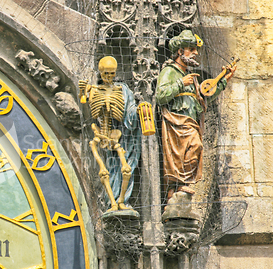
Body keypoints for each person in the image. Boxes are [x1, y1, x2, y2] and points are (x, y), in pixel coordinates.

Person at [156, 30, 236, 200]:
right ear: (180, 51)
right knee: (183, 152)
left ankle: (182, 184)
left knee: (196, 147)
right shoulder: (169, 72)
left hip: (191, 122)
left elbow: (203, 98)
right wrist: (180, 83)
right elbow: (160, 96)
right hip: (175, 122)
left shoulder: (190, 76)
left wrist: (223, 81)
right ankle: (176, 187)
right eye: (191, 49)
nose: (195, 53)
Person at [80, 56, 141, 212]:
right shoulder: (94, 90)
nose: (109, 77)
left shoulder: (123, 90)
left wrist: (138, 110)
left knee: (124, 165)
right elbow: (87, 110)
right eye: (105, 74)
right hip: (101, 135)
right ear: (100, 73)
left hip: (120, 135)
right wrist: (83, 92)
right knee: (109, 167)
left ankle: (121, 201)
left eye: (112, 74)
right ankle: (112, 202)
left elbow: (130, 111)